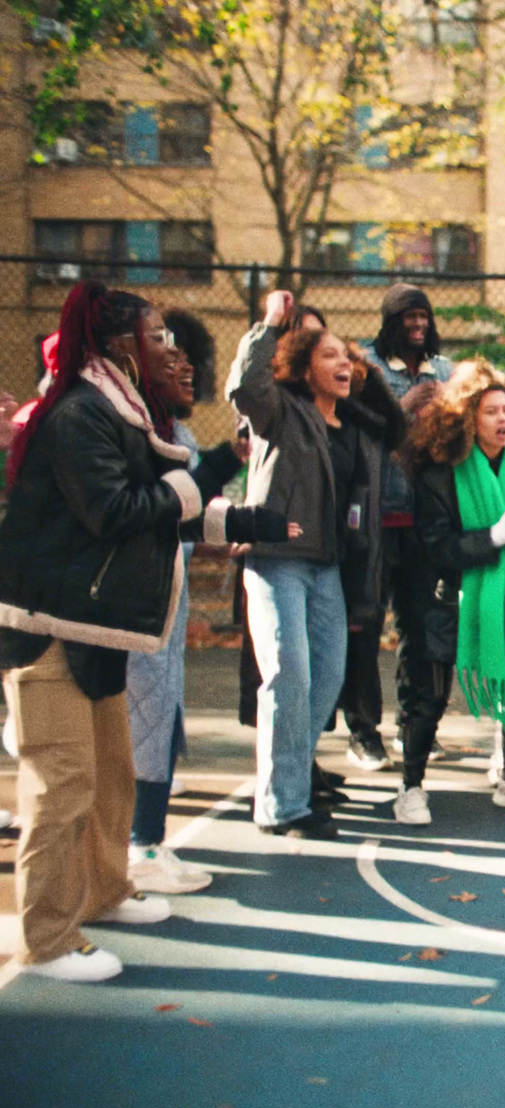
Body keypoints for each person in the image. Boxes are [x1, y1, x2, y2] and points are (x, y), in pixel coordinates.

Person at [0, 284, 212, 981]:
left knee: (112, 776)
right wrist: (183, 497)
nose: (170, 349)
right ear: (122, 345)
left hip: (94, 627)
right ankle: (48, 937)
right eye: (158, 336)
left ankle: (103, 891)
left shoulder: (119, 410)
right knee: (59, 785)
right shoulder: (79, 414)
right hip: (48, 625)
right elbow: (112, 509)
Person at [227, 290, 401, 839]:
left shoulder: (351, 426)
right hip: (277, 563)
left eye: (345, 356)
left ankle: (292, 782)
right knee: (288, 678)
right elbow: (242, 386)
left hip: (327, 567)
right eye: (329, 356)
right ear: (303, 368)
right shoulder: (280, 411)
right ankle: (282, 805)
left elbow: (394, 429)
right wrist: (269, 325)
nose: (343, 364)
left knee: (325, 680)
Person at [125, 309, 284, 893]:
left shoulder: (176, 433)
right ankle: (139, 845)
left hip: (165, 601)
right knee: (142, 722)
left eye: (190, 353)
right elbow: (167, 506)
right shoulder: (137, 432)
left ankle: (147, 840)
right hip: (132, 608)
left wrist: (247, 524)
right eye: (169, 350)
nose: (186, 364)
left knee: (159, 718)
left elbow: (190, 517)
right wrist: (224, 464)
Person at [399, 362, 505, 822]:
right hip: (444, 595)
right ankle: (411, 786)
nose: (501, 419)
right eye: (490, 411)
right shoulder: (439, 473)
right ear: (468, 417)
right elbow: (435, 547)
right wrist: (492, 535)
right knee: (427, 695)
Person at [347, 284, 454, 772]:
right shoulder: (366, 367)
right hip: (375, 515)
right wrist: (406, 403)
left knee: (421, 626)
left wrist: (445, 415)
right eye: (409, 319)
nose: (418, 327)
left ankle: (416, 726)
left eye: (424, 319)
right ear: (391, 322)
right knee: (366, 626)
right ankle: (364, 732)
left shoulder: (445, 371)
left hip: (427, 520)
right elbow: (358, 432)